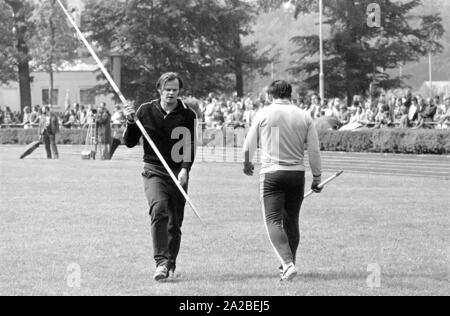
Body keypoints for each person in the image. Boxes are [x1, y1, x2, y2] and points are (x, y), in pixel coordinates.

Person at [243, 80, 322, 282]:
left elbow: (248, 146)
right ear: (290, 94)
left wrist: (247, 164)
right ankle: (288, 265)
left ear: (270, 96)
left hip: (272, 174)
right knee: (291, 220)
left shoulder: (262, 114)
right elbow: (313, 150)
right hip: (296, 174)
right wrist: (317, 176)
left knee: (272, 220)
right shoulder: (304, 116)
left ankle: (287, 263)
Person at [123, 72, 197, 282]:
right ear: (160, 90)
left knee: (175, 222)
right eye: (167, 90)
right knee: (159, 208)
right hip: (153, 169)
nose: (171, 93)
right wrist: (130, 121)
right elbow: (129, 142)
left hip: (177, 172)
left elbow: (190, 146)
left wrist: (185, 169)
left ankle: (170, 262)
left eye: (175, 90)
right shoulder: (145, 111)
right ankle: (161, 262)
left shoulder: (187, 115)